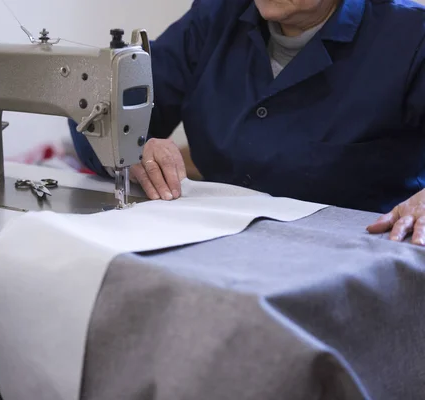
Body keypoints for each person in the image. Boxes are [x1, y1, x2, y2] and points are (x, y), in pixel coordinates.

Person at [69, 0, 425, 244]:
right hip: (218, 241)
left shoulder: (409, 35)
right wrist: (133, 148)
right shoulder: (217, 16)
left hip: (355, 257)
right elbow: (101, 108)